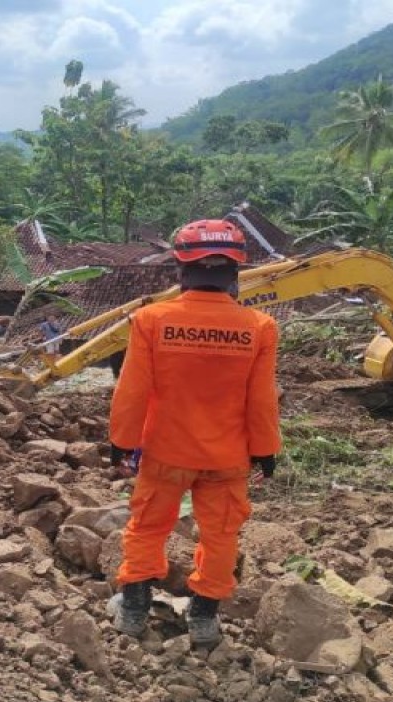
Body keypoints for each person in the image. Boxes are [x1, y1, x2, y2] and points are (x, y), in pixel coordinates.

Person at [107, 218, 280, 647]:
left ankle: (134, 610)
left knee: (147, 527)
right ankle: (203, 618)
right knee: (221, 536)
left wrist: (122, 442)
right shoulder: (259, 327)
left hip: (165, 453)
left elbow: (132, 390)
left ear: (181, 269)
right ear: (235, 273)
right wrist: (265, 450)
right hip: (227, 459)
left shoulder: (151, 320)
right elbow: (261, 399)